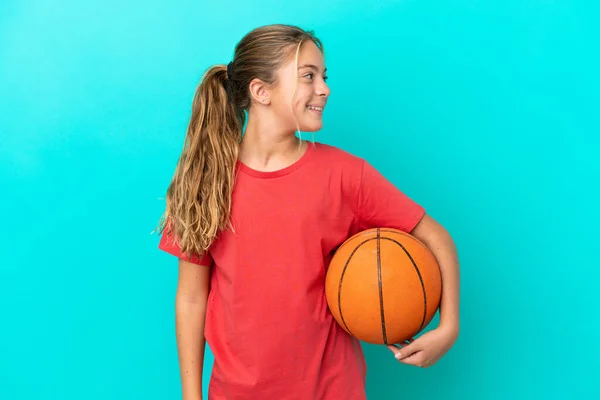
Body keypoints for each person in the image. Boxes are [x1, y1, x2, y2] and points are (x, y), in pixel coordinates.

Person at [156, 24, 460, 400]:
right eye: (308, 76)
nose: (324, 88)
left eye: (324, 76)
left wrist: (448, 327)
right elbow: (190, 297)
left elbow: (437, 237)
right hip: (236, 391)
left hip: (332, 388)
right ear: (260, 91)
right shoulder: (208, 181)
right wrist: (191, 395)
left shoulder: (346, 174)